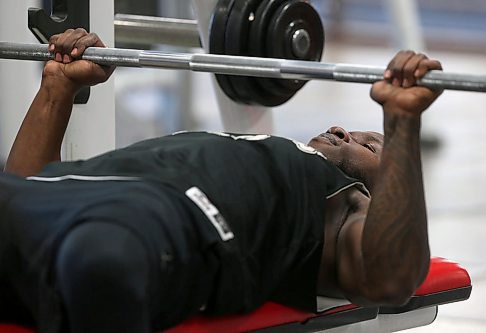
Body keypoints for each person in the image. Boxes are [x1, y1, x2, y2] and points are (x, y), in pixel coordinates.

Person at [0, 29, 442, 333]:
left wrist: (401, 123)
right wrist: (57, 88)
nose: (344, 130)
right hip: (46, 200)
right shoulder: (247, 146)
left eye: (372, 145)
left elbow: (390, 279)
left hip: (148, 227)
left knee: (97, 258)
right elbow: (29, 183)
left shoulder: (342, 207)